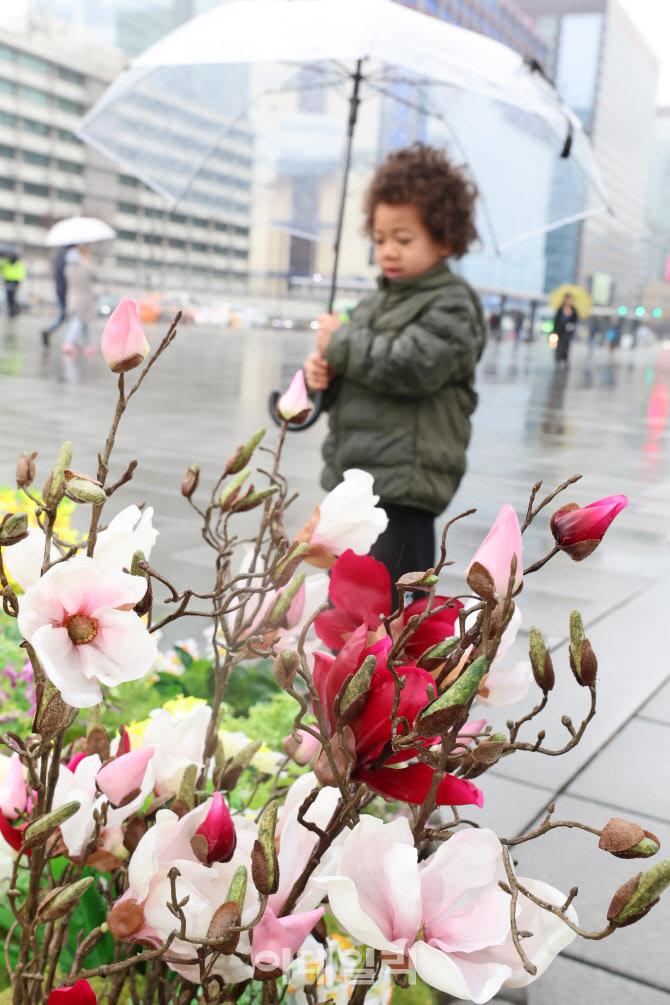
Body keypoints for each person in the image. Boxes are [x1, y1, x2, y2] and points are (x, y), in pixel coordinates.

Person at [303, 144, 487, 589]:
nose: (389, 251)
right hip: (357, 481)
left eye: (404, 240)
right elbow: (357, 373)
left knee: (398, 616)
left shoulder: (453, 302)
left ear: (444, 237)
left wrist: (342, 341)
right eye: (381, 239)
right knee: (349, 610)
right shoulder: (373, 304)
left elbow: (414, 365)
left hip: (405, 487)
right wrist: (320, 379)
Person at [61, 245, 96, 356]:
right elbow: (96, 275)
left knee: (83, 322)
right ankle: (68, 342)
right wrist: (88, 262)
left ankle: (87, 344)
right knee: (78, 321)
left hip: (72, 297)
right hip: (83, 299)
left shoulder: (68, 269)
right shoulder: (84, 268)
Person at [41, 245, 72, 347]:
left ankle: (72, 340)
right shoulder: (70, 256)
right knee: (69, 315)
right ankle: (70, 341)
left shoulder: (59, 254)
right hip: (67, 290)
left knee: (66, 314)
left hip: (59, 288)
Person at [552, 293, 577, 364]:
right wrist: (555, 330)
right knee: (559, 344)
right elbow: (556, 320)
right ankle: (558, 358)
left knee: (566, 345)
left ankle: (564, 358)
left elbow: (575, 320)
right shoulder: (560, 308)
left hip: (568, 331)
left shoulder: (573, 310)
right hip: (560, 331)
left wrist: (571, 315)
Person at [1, 253, 26, 317]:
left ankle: (14, 310)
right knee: (9, 296)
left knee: (12, 296)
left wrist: (20, 280)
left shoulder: (18, 263)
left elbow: (22, 272)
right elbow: (2, 270)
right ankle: (12, 310)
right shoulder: (5, 262)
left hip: (15, 281)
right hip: (8, 280)